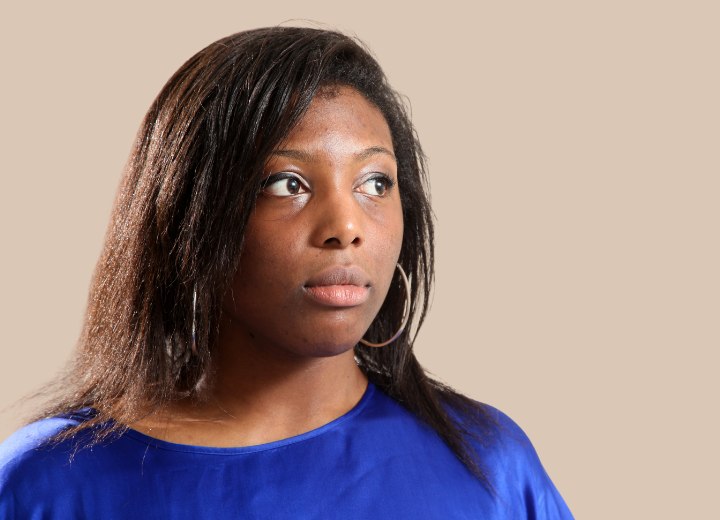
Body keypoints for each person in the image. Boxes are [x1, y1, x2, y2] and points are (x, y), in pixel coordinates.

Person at [0, 27, 573, 518]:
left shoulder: (489, 468)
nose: (346, 226)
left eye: (375, 183)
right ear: (190, 218)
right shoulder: (49, 486)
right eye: (287, 184)